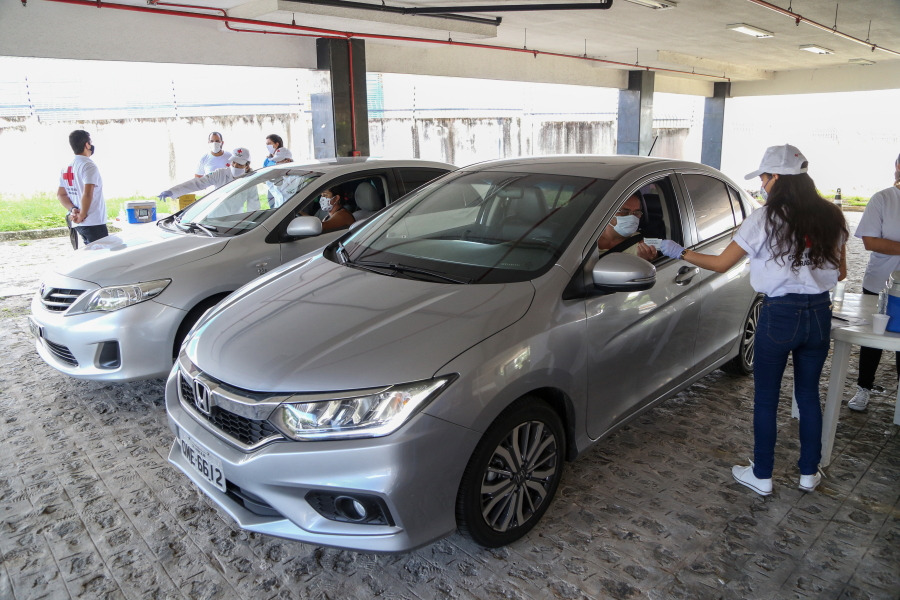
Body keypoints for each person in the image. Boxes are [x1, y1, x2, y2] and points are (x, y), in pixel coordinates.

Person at [658, 144, 848, 496]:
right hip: (819, 314)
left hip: (780, 315)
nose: (761, 184)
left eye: (764, 177)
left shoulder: (763, 219)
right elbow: (841, 272)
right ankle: (809, 473)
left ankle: (762, 475)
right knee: (808, 395)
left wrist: (679, 252)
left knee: (766, 397)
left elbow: (720, 264)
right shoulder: (832, 216)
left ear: (777, 177)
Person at [846, 153, 900, 412]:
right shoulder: (883, 199)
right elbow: (870, 241)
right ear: (897, 167)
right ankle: (864, 387)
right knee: (872, 338)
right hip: (879, 283)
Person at [160, 147, 255, 212]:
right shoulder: (220, 173)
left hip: (236, 220)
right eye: (233, 162)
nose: (235, 166)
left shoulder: (251, 179)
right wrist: (173, 191)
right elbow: (198, 183)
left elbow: (253, 205)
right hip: (215, 216)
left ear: (247, 166)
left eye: (239, 164)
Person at [57, 129, 109, 245]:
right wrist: (82, 214)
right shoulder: (88, 165)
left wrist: (72, 209)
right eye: (90, 142)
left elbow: (61, 194)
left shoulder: (67, 167)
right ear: (87, 144)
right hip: (93, 221)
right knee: (101, 253)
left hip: (79, 223)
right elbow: (88, 193)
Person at [597, 193, 658, 261]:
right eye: (624, 211)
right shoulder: (590, 238)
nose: (632, 217)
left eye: (636, 213)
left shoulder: (644, 245)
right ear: (607, 213)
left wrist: (647, 261)